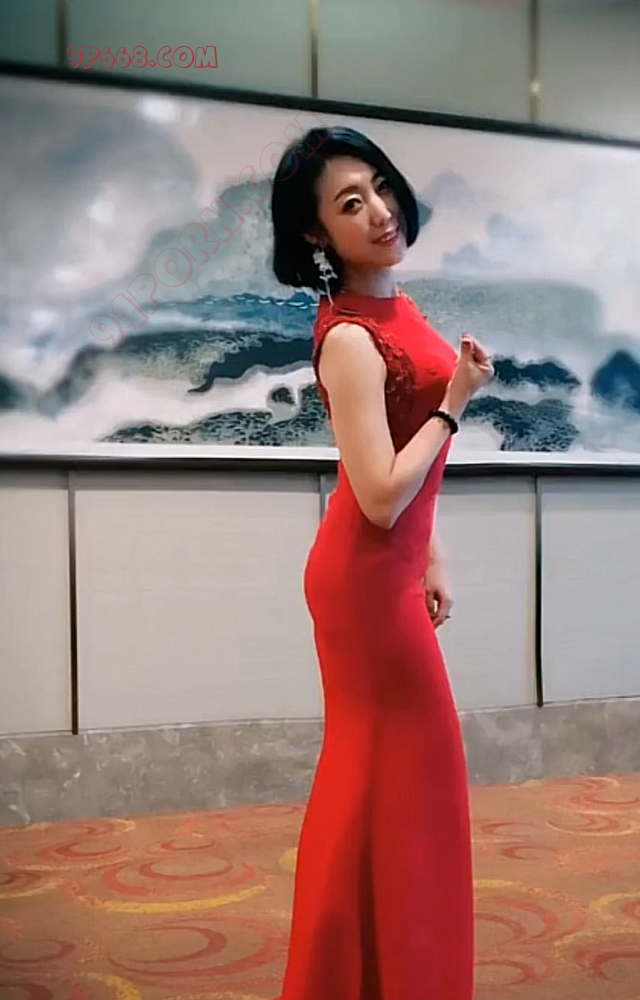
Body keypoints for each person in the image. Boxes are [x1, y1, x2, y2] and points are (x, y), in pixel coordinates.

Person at [269, 125, 493, 1000]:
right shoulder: (349, 338)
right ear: (317, 233)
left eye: (381, 188)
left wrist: (431, 554)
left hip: (391, 570)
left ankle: (375, 975)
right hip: (363, 584)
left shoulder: (397, 307)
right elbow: (378, 494)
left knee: (384, 783)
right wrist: (456, 402)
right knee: (405, 775)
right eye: (350, 203)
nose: (380, 211)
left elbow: (403, 470)